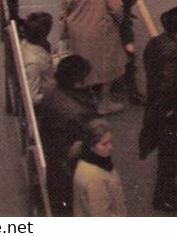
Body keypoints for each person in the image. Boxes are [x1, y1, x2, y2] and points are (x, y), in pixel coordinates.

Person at [139, 6, 177, 213]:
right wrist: (170, 110)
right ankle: (162, 198)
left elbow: (155, 70)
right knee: (171, 157)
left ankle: (167, 189)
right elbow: (169, 83)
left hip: (157, 109)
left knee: (167, 155)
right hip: (171, 115)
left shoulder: (155, 42)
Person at [60, 0, 128, 115]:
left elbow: (64, 9)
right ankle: (104, 103)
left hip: (77, 31)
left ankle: (88, 101)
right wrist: (119, 22)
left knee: (83, 67)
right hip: (102, 31)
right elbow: (117, 7)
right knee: (106, 68)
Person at [38, 54, 95, 217]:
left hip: (54, 157)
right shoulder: (76, 111)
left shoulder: (51, 89)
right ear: (78, 82)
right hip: (69, 166)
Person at [71, 117, 127, 217]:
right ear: (91, 146)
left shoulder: (93, 161)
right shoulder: (94, 178)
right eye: (104, 144)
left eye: (110, 142)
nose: (110, 147)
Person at [21, 11, 54, 107]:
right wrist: (55, 95)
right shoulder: (33, 64)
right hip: (49, 96)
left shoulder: (26, 44)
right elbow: (33, 98)